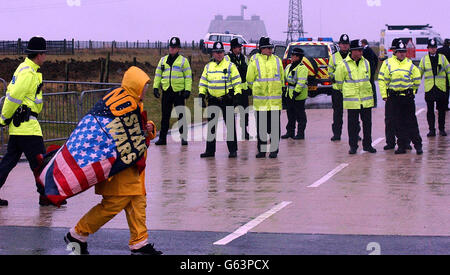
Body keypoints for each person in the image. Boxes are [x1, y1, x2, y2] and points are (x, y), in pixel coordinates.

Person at [64, 66, 162, 255]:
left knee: (137, 202)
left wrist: (150, 129)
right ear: (134, 86)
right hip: (121, 168)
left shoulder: (134, 105)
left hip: (132, 167)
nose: (145, 90)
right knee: (113, 204)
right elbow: (116, 136)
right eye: (143, 86)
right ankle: (77, 233)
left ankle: (139, 242)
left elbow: (138, 135)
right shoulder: (122, 106)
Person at [0, 36, 55, 206]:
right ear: (39, 54)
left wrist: (6, 120)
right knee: (41, 163)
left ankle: (45, 195)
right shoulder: (28, 73)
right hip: (28, 128)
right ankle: (46, 196)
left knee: (8, 162)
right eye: (44, 53)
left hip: (19, 128)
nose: (45, 57)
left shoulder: (23, 69)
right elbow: (14, 97)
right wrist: (3, 118)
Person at [378, 39, 423, 155]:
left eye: (404, 51)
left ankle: (418, 145)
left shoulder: (409, 63)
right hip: (394, 98)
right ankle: (401, 146)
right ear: (395, 52)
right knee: (398, 123)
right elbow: (382, 80)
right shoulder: (388, 63)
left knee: (411, 122)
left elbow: (417, 78)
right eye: (399, 51)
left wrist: (413, 90)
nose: (402, 53)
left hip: (407, 97)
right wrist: (384, 95)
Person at [198, 41, 242, 158]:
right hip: (212, 99)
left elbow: (237, 82)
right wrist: (201, 95)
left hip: (226, 99)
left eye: (221, 52)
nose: (219, 54)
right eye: (216, 52)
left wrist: (237, 95)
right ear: (213, 53)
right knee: (211, 126)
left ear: (224, 53)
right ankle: (210, 151)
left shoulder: (230, 66)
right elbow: (203, 82)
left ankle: (233, 150)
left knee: (230, 126)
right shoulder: (208, 67)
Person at [335, 40, 376, 154]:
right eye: (358, 50)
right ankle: (353, 146)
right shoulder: (343, 65)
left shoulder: (366, 62)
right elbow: (339, 83)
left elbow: (368, 78)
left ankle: (367, 145)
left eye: (361, 50)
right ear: (352, 51)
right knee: (352, 125)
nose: (361, 52)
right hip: (352, 101)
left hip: (366, 100)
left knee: (367, 124)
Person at [246, 37, 285, 158]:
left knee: (274, 128)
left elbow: (282, 79)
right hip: (261, 102)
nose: (270, 50)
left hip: (274, 102)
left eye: (271, 48)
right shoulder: (254, 61)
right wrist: (258, 89)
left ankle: (274, 149)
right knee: (261, 128)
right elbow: (249, 80)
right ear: (261, 49)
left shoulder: (277, 61)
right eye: (268, 48)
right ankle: (262, 150)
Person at [153, 37, 192, 146]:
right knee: (165, 116)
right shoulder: (163, 60)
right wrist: (155, 87)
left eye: (174, 47)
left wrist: (187, 90)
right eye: (171, 47)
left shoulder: (183, 61)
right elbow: (158, 75)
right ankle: (162, 138)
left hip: (179, 92)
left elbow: (188, 77)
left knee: (181, 115)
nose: (172, 49)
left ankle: (183, 137)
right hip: (166, 91)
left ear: (178, 49)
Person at [419, 38, 450, 136]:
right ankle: (431, 129)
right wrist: (414, 87)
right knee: (430, 110)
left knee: (441, 110)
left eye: (434, 47)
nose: (433, 49)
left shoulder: (442, 58)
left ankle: (441, 129)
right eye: (431, 48)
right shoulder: (424, 59)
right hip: (430, 88)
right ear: (428, 48)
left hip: (440, 88)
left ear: (437, 48)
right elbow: (419, 74)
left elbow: (449, 71)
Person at [225, 38, 251, 140]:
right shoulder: (227, 59)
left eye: (240, 47)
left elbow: (248, 73)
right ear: (232, 48)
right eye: (237, 47)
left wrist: (249, 87)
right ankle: (231, 133)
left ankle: (245, 131)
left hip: (243, 89)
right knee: (231, 112)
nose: (239, 48)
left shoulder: (244, 58)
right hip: (232, 90)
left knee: (244, 111)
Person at [281, 47, 308, 140]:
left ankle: (300, 133)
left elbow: (301, 82)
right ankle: (290, 132)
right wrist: (284, 90)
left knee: (300, 116)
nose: (291, 57)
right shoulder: (288, 66)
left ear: (298, 57)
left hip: (299, 95)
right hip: (289, 94)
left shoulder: (302, 68)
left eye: (293, 55)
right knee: (290, 114)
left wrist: (296, 92)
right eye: (291, 55)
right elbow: (284, 79)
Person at [328, 34, 351, 141]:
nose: (345, 46)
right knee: (337, 113)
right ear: (339, 45)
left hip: (351, 90)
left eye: (346, 44)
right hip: (337, 90)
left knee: (353, 114)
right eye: (343, 44)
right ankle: (337, 134)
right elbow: (330, 72)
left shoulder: (353, 56)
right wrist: (335, 78)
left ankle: (355, 133)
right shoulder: (333, 57)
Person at [361, 39, 379, 108]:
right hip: (371, 70)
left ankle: (373, 102)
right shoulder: (369, 49)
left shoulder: (366, 50)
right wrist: (375, 68)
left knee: (371, 85)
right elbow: (376, 58)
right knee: (371, 85)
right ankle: (373, 102)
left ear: (363, 43)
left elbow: (374, 59)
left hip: (369, 70)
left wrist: (373, 68)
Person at [437, 38, 450, 110]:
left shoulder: (439, 50)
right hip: (447, 72)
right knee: (447, 90)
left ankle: (438, 105)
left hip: (439, 72)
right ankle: (445, 106)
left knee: (439, 89)